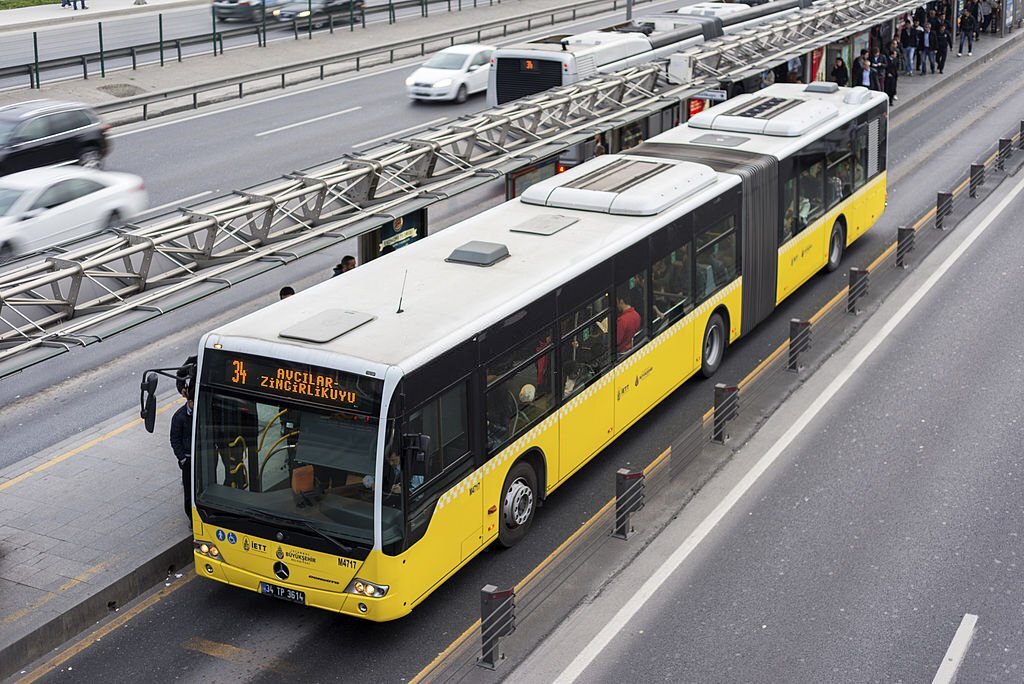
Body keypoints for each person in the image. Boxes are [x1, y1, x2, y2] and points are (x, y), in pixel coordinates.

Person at [169, 383, 194, 522]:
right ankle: (191, 517)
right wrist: (182, 458)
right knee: (189, 490)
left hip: (202, 457)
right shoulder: (179, 417)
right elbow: (174, 439)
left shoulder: (202, 412)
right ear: (190, 402)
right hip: (188, 459)